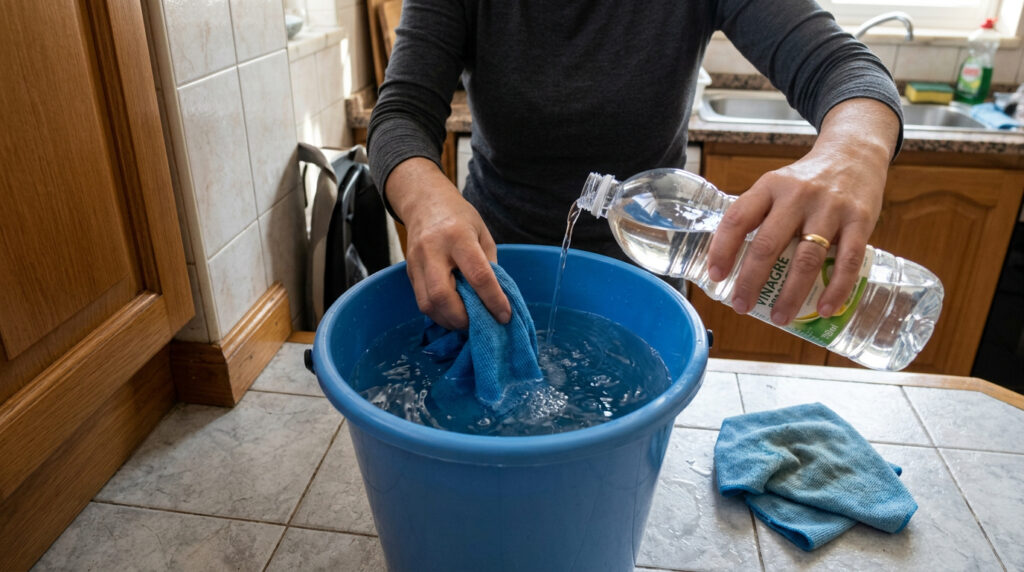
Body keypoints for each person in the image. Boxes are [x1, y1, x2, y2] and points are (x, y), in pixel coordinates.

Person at [368, 0, 902, 332]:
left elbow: (841, 67)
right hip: (494, 272)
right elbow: (401, 113)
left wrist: (851, 152)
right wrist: (426, 199)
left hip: (643, 288)